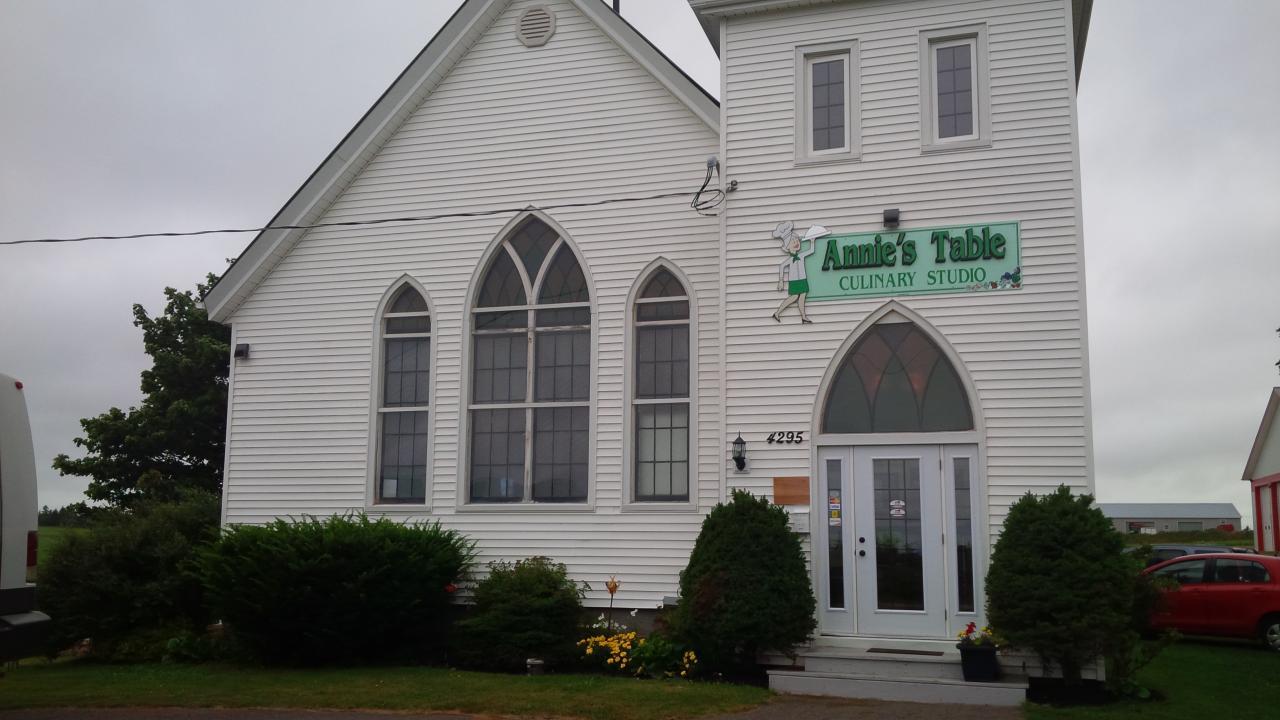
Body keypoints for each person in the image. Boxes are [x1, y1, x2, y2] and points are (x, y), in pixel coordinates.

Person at [772, 221, 828, 323]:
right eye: (794, 241)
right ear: (787, 247)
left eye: (797, 240)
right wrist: (781, 281)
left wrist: (812, 240)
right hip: (794, 281)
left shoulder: (801, 256)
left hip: (802, 279)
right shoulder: (790, 259)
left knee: (802, 296)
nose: (797, 242)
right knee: (794, 297)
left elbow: (811, 250)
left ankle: (803, 316)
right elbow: (781, 266)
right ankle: (777, 312)